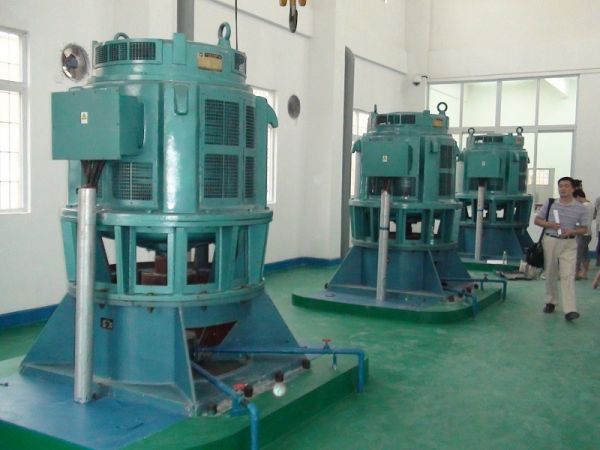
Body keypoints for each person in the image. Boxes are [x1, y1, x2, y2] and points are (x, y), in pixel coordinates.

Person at [534, 177, 589, 321]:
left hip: (569, 243)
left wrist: (573, 231)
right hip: (551, 240)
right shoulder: (550, 203)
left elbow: (584, 229)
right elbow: (537, 220)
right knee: (550, 272)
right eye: (560, 186)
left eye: (566, 186)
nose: (563, 189)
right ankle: (550, 301)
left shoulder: (580, 208)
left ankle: (570, 310)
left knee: (568, 274)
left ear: (573, 189)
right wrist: (550, 225)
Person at [573, 189, 594, 279]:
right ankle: (584, 273)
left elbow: (579, 220)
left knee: (578, 255)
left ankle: (576, 274)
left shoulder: (583, 206)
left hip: (582, 233)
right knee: (584, 254)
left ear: (578, 196)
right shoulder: (591, 204)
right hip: (588, 233)